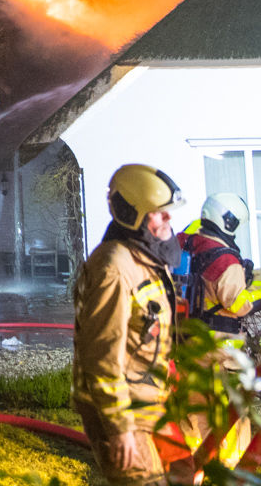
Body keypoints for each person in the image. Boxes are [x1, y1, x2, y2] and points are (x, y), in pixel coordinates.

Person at [72, 164, 185, 486]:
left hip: (147, 398)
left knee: (183, 473)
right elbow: (103, 356)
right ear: (132, 214)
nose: (169, 218)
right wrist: (120, 430)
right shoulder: (115, 269)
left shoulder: (143, 259)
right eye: (159, 213)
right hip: (121, 407)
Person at [180, 192, 261, 466]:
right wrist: (260, 284)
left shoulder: (185, 245)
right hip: (222, 350)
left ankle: (192, 469)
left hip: (188, 343)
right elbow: (239, 304)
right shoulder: (224, 260)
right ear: (228, 222)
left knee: (194, 410)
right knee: (232, 413)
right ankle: (231, 472)